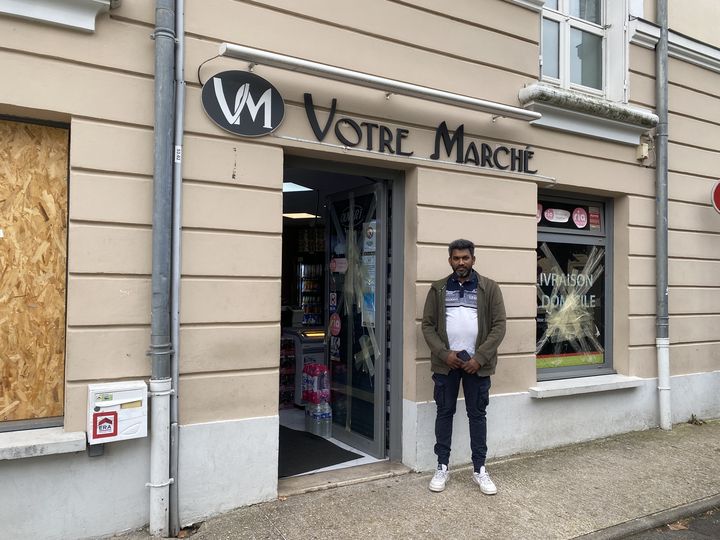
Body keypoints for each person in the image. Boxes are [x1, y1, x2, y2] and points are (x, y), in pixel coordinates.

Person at [421, 239, 507, 495]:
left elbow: (499, 326)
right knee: (444, 413)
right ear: (450, 260)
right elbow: (427, 325)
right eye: (456, 258)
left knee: (477, 415)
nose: (461, 262)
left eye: (465, 258)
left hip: (476, 365)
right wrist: (443, 353)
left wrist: (479, 358)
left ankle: (480, 469)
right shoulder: (437, 289)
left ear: (473, 260)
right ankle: (442, 466)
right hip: (446, 364)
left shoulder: (489, 288)